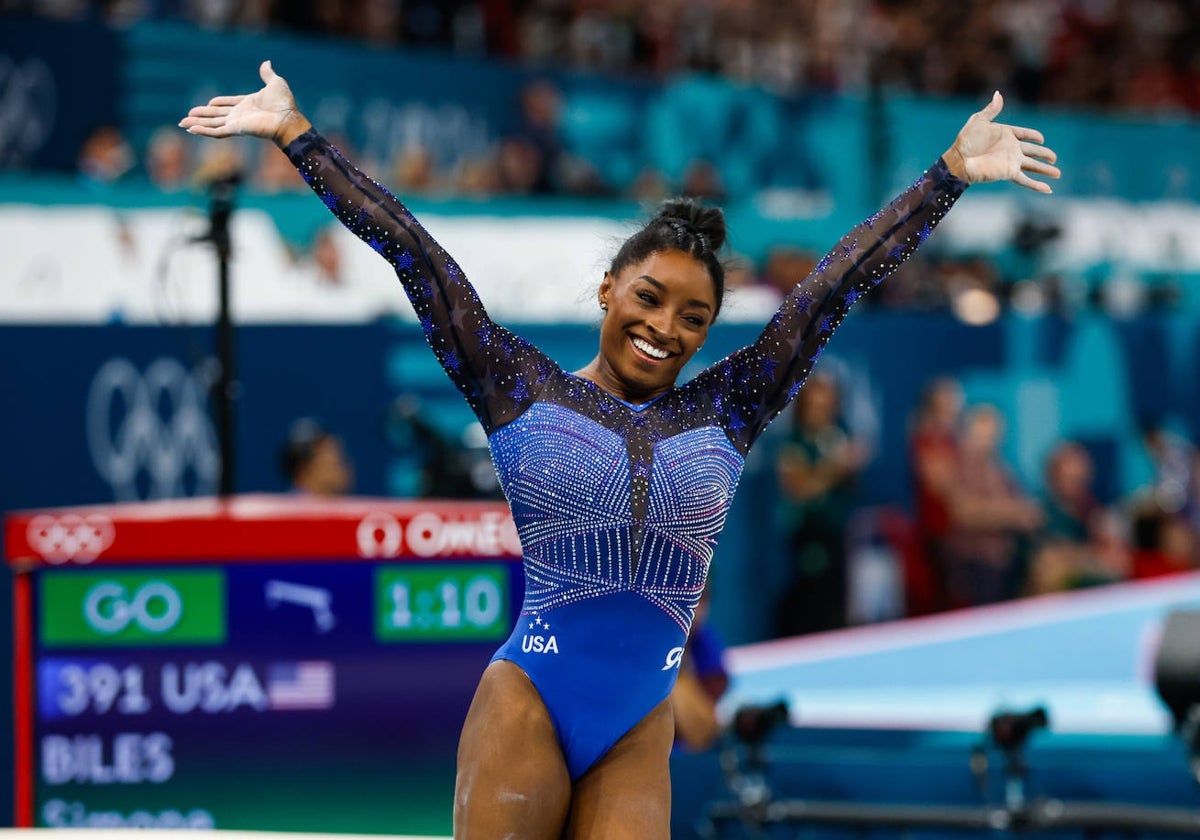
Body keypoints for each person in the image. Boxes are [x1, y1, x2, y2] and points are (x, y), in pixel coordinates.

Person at [181, 61, 1058, 839]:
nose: (663, 329)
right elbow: (414, 253)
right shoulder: (519, 386)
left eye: (694, 319)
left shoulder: (731, 408)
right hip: (529, 700)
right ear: (607, 289)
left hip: (640, 721)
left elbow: (830, 292)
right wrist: (297, 137)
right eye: (647, 297)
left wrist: (947, 177)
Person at [774, 373, 868, 637]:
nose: (821, 410)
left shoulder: (838, 435)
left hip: (838, 537)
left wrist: (853, 466)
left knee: (838, 605)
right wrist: (837, 466)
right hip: (807, 539)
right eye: (815, 404)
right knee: (811, 606)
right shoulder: (793, 444)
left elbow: (852, 486)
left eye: (827, 404)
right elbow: (801, 490)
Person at [279, 417, 354, 496]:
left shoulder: (356, 506)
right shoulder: (287, 507)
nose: (344, 468)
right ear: (302, 472)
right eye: (334, 462)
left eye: (341, 459)